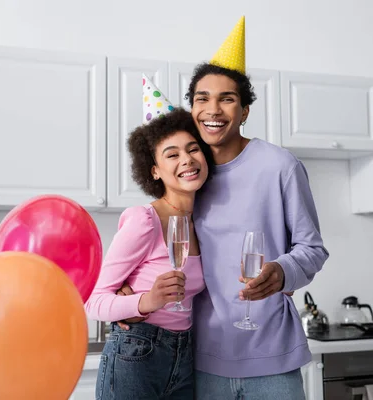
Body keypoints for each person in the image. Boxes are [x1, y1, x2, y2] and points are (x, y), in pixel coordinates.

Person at [117, 16, 329, 399]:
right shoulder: (190, 176)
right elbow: (156, 245)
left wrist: (283, 272)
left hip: (272, 356)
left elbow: (312, 248)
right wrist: (131, 296)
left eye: (227, 98)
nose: (212, 109)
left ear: (244, 110)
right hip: (202, 358)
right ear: (192, 108)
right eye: (202, 98)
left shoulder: (280, 166)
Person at [84, 75, 215, 400]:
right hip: (136, 353)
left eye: (193, 149)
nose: (186, 159)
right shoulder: (146, 220)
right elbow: (94, 302)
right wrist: (146, 301)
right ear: (154, 170)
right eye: (171, 154)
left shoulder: (205, 223)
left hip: (185, 355)